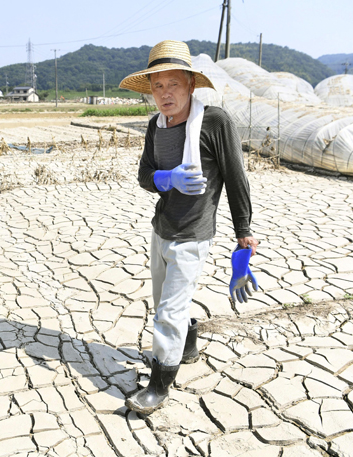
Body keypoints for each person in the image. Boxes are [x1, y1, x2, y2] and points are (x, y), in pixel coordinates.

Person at [118, 40, 259, 415]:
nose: (165, 94)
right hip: (161, 228)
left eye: (173, 84)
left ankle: (160, 382)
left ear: (191, 85)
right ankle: (189, 341)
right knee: (167, 302)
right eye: (158, 86)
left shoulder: (215, 122)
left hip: (194, 234)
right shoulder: (156, 125)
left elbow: (235, 177)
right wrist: (167, 178)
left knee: (167, 313)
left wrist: (243, 232)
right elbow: (144, 176)